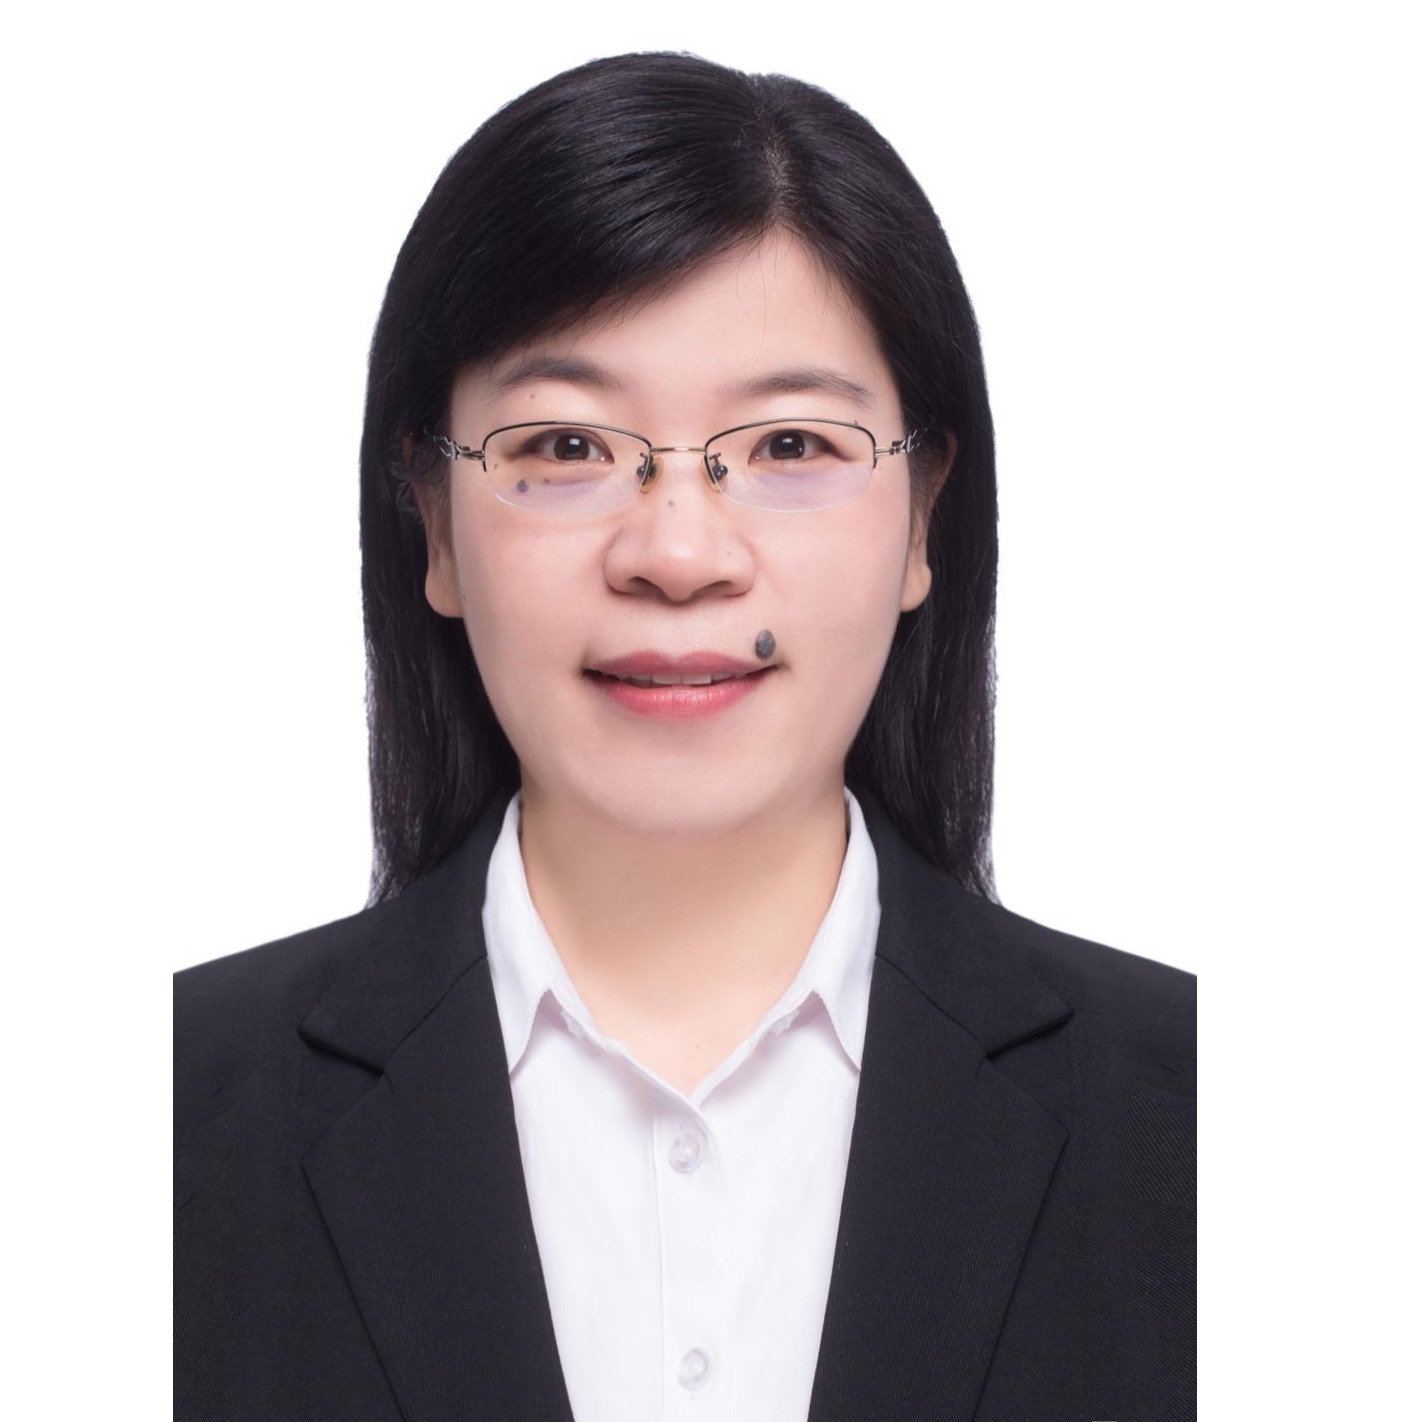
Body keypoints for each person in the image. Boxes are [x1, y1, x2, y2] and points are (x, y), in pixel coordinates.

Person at [174, 51, 1195, 1422]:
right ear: (433, 520)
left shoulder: (1199, 1120)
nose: (675, 553)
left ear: (924, 519)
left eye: (789, 447)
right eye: (566, 447)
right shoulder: (163, 1120)